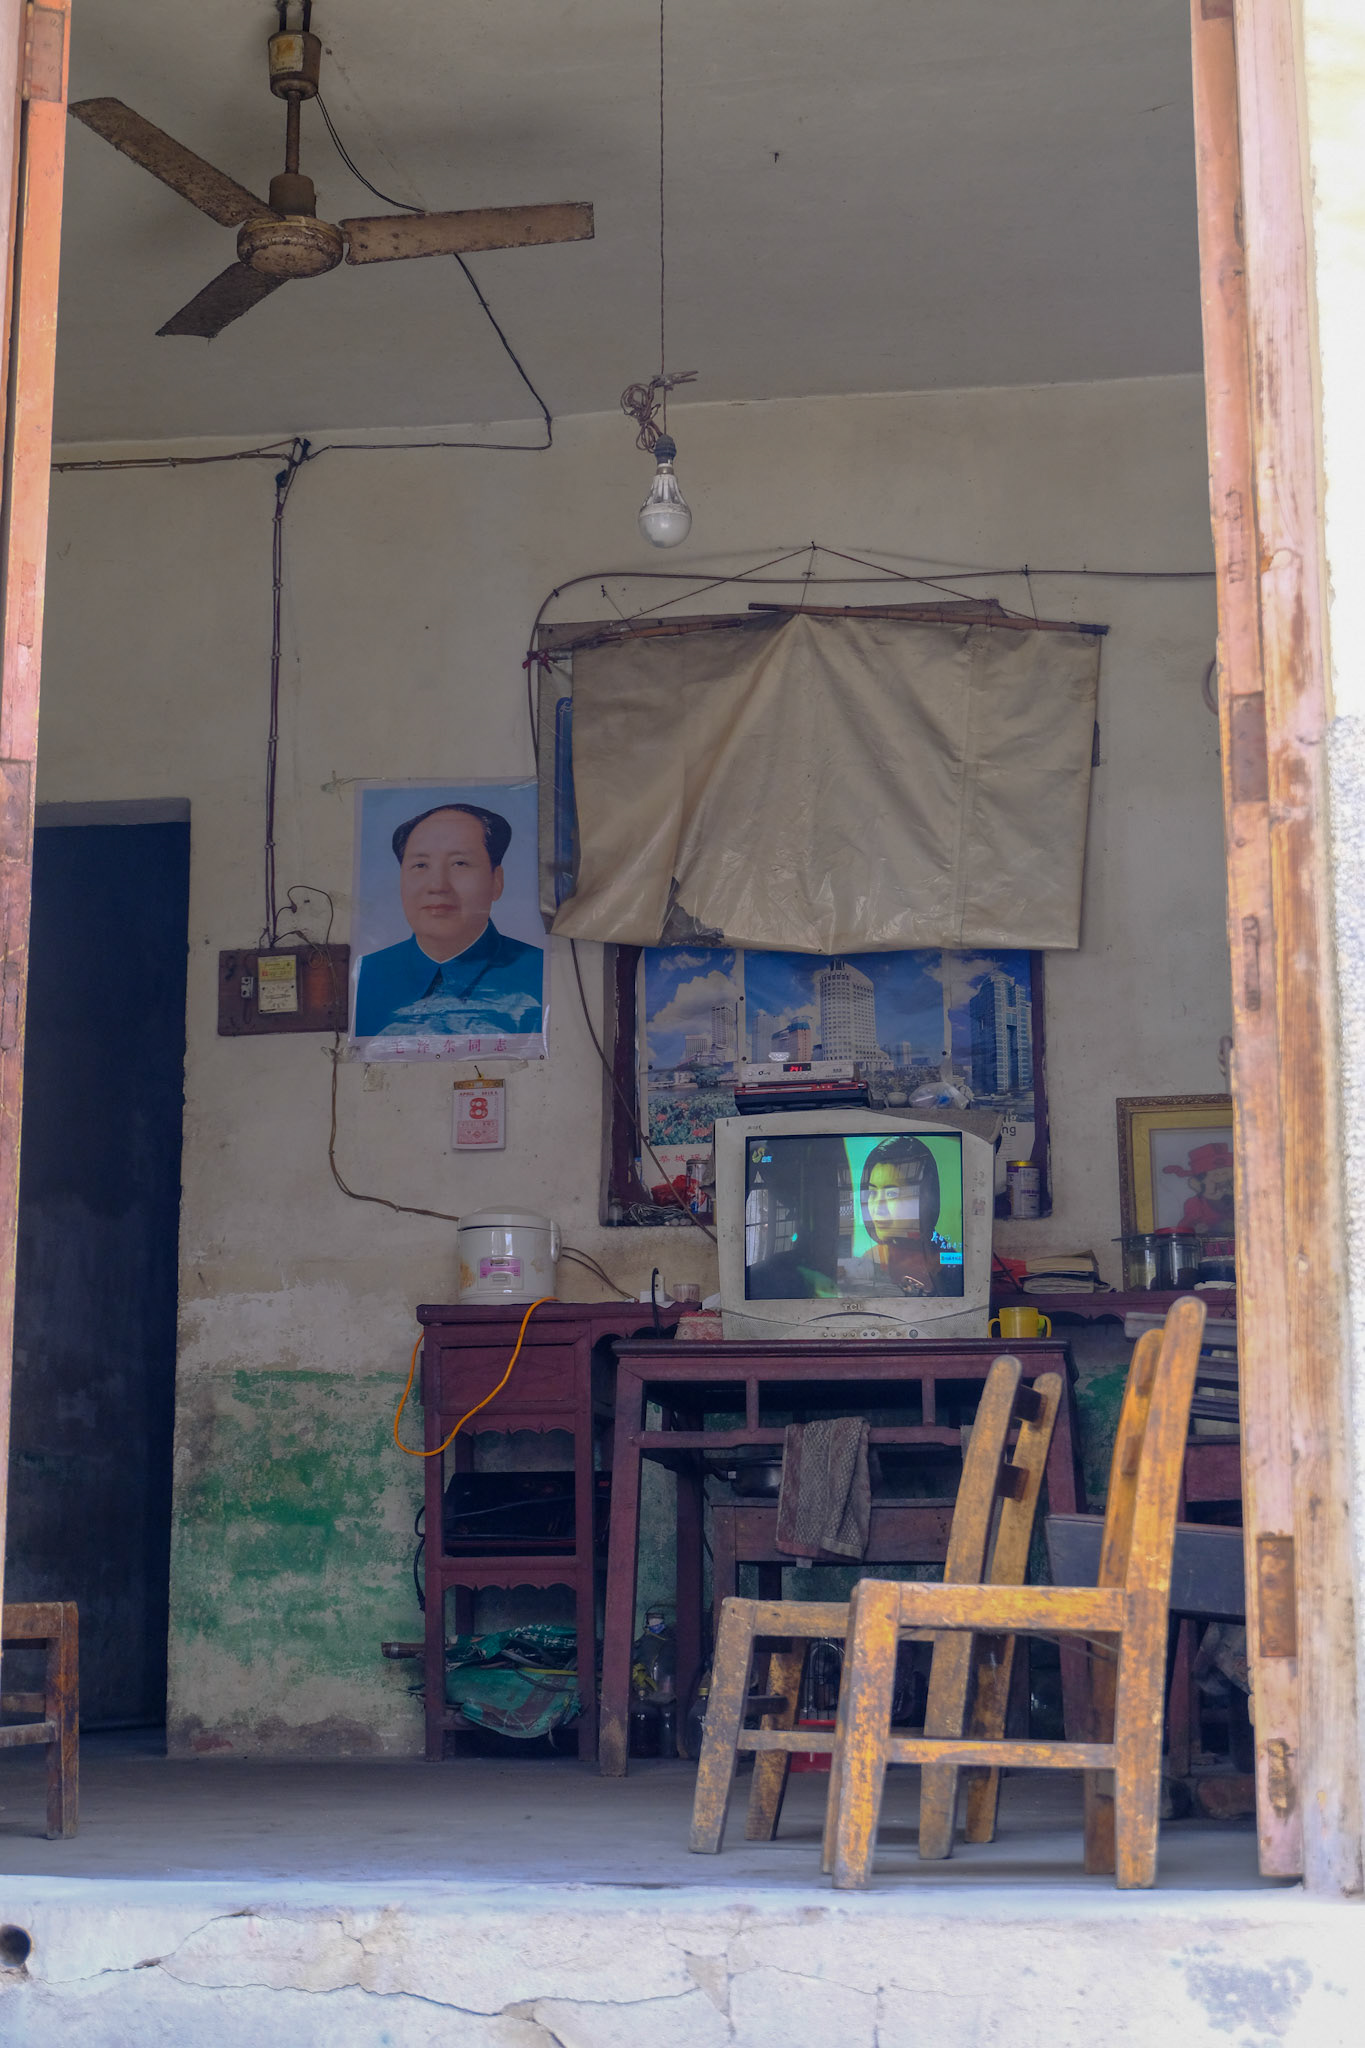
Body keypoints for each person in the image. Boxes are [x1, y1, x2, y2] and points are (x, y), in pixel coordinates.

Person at [354, 803, 544, 1040]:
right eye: (420, 865)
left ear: (497, 881)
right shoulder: (365, 978)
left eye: (459, 863)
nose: (437, 886)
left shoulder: (541, 973)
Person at [838, 1133, 953, 1297]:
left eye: (891, 1195)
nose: (877, 1208)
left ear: (924, 1199)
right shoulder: (873, 1256)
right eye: (872, 1193)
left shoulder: (945, 1259)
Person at [1162, 1139, 1234, 1235]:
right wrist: (1195, 1228)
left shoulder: (1240, 1200)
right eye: (1214, 1177)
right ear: (1199, 1182)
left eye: (1226, 1179)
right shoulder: (1194, 1204)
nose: (1222, 1187)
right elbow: (1183, 1228)